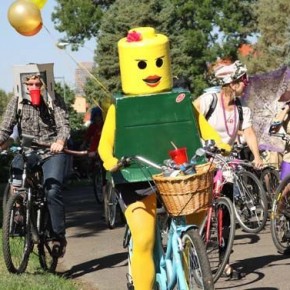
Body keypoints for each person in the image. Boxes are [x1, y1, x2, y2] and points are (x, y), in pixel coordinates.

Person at [99, 27, 229, 290]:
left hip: (175, 175)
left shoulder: (180, 100)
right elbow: (105, 144)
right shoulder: (119, 107)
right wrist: (109, 161)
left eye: (158, 62)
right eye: (144, 64)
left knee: (197, 212)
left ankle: (186, 253)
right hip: (134, 177)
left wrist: (222, 144)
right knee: (145, 237)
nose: (152, 71)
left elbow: (201, 126)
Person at [193, 59, 263, 278]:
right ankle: (194, 252)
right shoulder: (209, 100)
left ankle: (226, 261)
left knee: (225, 214)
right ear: (232, 83)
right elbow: (189, 117)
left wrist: (257, 156)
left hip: (226, 163)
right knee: (199, 211)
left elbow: (249, 132)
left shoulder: (242, 109)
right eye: (243, 81)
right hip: (204, 161)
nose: (246, 84)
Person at [0, 65, 70, 258]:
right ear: (22, 84)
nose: (33, 87)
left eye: (37, 83)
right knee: (16, 178)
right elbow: (5, 128)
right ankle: (20, 215)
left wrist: (60, 141)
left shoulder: (54, 100)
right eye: (29, 83)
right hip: (27, 151)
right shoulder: (17, 102)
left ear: (45, 84)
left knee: (52, 189)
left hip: (51, 152)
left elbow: (64, 125)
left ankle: (58, 237)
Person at [269, 90, 290, 179]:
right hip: (289, 154)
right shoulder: (285, 113)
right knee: (284, 184)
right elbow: (274, 128)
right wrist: (286, 110)